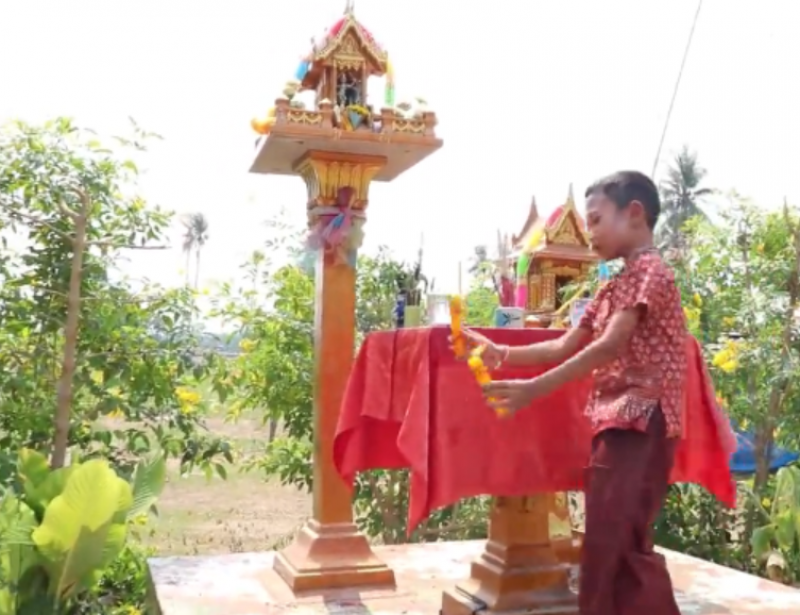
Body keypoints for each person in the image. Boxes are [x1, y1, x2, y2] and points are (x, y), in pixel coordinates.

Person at [460, 171, 685, 615]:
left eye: (596, 220)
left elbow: (608, 346)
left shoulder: (650, 272)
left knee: (613, 546)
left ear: (634, 214)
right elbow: (564, 344)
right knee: (611, 543)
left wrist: (533, 390)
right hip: (619, 422)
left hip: (642, 419)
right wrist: (502, 353)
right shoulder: (615, 283)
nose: (590, 233)